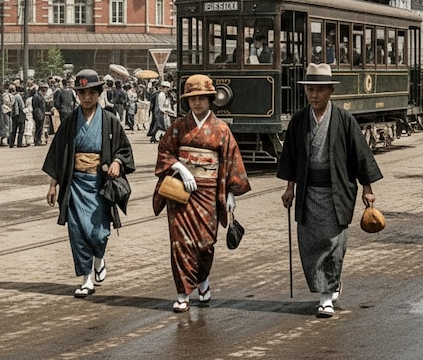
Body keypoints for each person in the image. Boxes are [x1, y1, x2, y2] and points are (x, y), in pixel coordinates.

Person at [277, 63, 383, 319]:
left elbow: (360, 156)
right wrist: (289, 188)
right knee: (311, 244)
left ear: (331, 91)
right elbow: (290, 156)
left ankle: (327, 296)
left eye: (320, 90)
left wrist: (367, 189)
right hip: (308, 191)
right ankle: (327, 287)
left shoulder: (345, 120)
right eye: (310, 90)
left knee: (334, 244)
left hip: (337, 191)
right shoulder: (299, 120)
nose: (314, 95)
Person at [153, 74, 251, 312]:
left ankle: (203, 280)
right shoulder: (178, 127)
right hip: (181, 193)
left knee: (205, 244)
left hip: (209, 193)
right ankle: (183, 294)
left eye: (202, 98)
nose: (197, 103)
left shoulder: (221, 129)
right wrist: (180, 168)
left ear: (210, 99)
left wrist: (230, 193)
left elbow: (230, 161)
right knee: (180, 244)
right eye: (192, 98)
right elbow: (165, 152)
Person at [43, 69, 134, 298]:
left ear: (99, 94)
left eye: (91, 93)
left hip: (99, 184)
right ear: (77, 95)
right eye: (82, 93)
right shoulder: (70, 122)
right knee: (77, 233)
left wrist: (117, 162)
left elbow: (124, 150)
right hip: (75, 184)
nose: (87, 97)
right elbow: (58, 154)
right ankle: (86, 279)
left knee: (99, 233)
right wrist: (53, 185)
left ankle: (99, 258)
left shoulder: (110, 121)